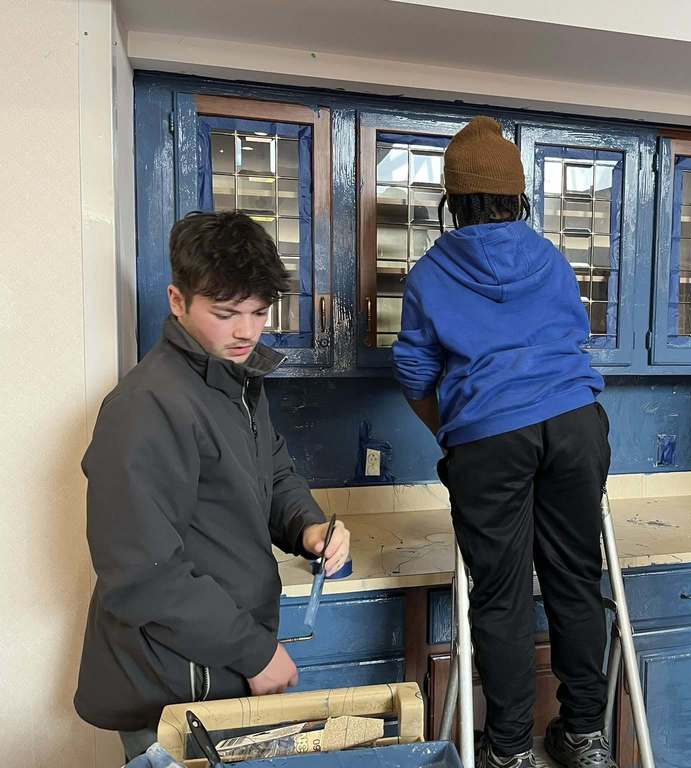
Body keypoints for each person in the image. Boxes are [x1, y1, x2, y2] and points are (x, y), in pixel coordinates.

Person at [74, 211, 351, 760]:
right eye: (226, 314)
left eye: (259, 312)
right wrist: (256, 653)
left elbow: (272, 470)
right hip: (172, 683)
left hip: (220, 661)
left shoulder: (234, 382)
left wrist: (307, 527)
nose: (247, 330)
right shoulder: (145, 407)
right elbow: (141, 574)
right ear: (178, 301)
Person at [392, 116, 612, 768]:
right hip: (577, 422)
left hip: (489, 438)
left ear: (452, 200)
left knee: (502, 596)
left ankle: (510, 750)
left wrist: (456, 434)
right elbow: (573, 339)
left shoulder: (430, 273)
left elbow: (413, 374)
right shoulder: (551, 258)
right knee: (575, 579)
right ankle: (584, 736)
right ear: (519, 197)